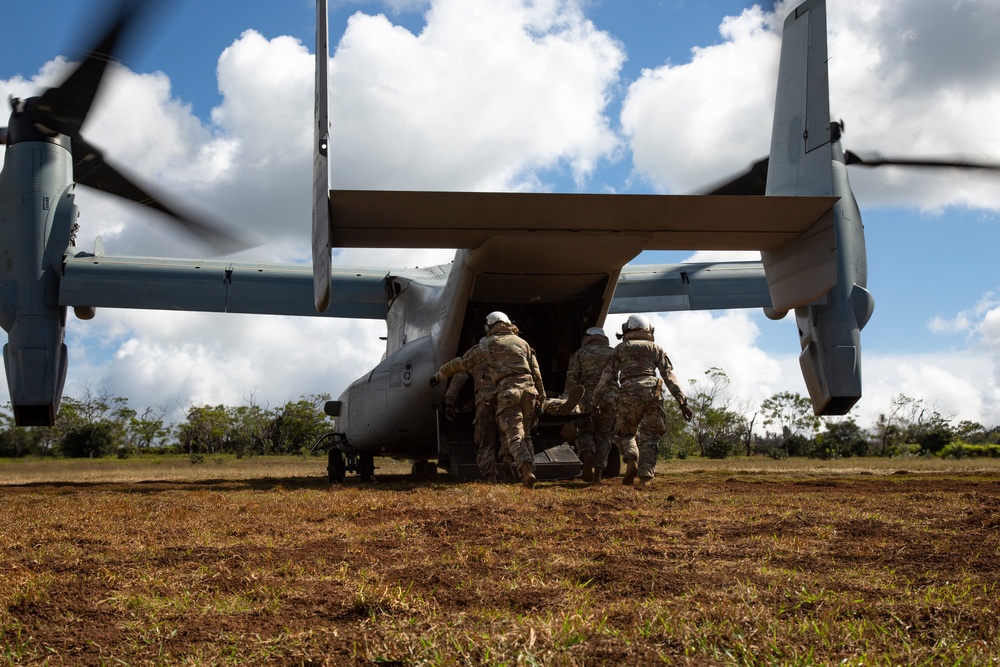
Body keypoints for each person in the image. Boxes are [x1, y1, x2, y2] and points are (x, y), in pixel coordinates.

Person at [431, 311, 544, 488]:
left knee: (488, 439)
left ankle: (494, 475)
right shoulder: (523, 344)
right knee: (516, 433)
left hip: (492, 397)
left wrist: (440, 381)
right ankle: (510, 460)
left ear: (489, 326)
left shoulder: (485, 347)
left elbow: (459, 370)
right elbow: (536, 373)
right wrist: (541, 399)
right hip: (526, 391)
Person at [592, 314, 693, 487]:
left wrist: (594, 402)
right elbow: (668, 376)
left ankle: (631, 461)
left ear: (627, 329)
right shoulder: (656, 349)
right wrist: (682, 402)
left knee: (627, 433)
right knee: (649, 437)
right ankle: (645, 477)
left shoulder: (620, 349)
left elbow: (607, 378)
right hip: (652, 394)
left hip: (627, 393)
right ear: (648, 330)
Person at [565, 327, 616, 484]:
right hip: (611, 397)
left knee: (584, 430)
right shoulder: (614, 352)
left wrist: (568, 401)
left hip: (588, 398)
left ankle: (587, 454)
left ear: (587, 337)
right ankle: (599, 473)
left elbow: (572, 378)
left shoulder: (580, 354)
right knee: (604, 434)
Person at [443, 339, 499, 482]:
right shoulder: (511, 350)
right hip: (506, 398)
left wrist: (449, 402)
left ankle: (490, 476)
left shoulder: (475, 354)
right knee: (511, 434)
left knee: (485, 439)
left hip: (483, 399)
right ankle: (518, 466)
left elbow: (458, 379)